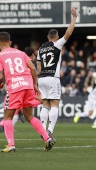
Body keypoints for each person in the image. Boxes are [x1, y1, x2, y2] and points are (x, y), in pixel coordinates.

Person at [0, 32, 55, 152]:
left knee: (8, 117)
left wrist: (0, 83)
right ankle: (47, 138)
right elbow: (32, 68)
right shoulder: (21, 53)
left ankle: (11, 144)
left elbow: (0, 75)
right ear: (10, 43)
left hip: (15, 87)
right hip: (27, 85)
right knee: (29, 116)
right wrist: (34, 84)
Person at [37, 7, 77, 137]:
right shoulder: (57, 44)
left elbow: (38, 67)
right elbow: (68, 33)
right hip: (53, 78)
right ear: (57, 37)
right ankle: (50, 130)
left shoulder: (40, 49)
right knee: (54, 105)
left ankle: (42, 129)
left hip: (41, 78)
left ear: (48, 37)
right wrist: (74, 18)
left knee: (45, 105)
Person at [0, 47, 37, 132]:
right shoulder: (27, 63)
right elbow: (32, 71)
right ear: (33, 55)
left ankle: (5, 125)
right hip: (23, 88)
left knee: (15, 111)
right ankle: (3, 124)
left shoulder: (22, 60)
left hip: (16, 87)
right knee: (16, 112)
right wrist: (34, 85)